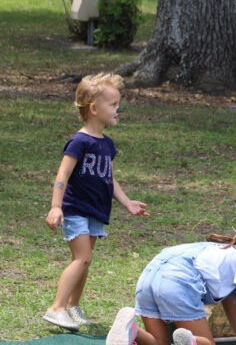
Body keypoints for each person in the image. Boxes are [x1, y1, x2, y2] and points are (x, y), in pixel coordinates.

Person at [43, 73, 150, 332]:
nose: (118, 109)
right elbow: (63, 175)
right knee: (82, 258)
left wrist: (127, 203)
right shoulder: (79, 141)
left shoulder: (107, 145)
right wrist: (56, 206)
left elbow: (109, 179)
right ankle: (56, 308)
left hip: (95, 211)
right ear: (93, 108)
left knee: (85, 261)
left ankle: (72, 307)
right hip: (76, 209)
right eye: (113, 104)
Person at [105, 231, 236, 345]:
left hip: (150, 275)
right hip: (177, 282)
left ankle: (130, 329)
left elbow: (234, 314)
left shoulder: (230, 256)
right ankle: (192, 341)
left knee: (159, 342)